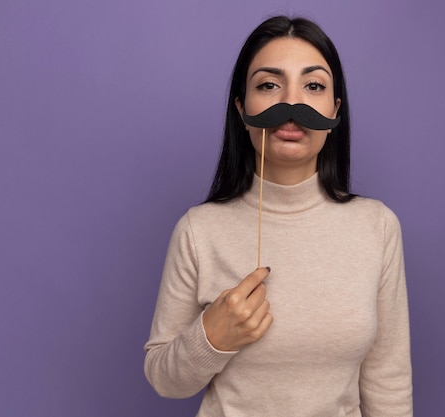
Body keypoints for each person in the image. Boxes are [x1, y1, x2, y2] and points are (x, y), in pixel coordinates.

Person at [144, 15, 413, 417]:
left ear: (335, 110)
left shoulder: (377, 227)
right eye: (269, 85)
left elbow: (387, 380)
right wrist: (212, 337)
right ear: (241, 108)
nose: (292, 105)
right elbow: (163, 379)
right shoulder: (199, 231)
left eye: (314, 86)